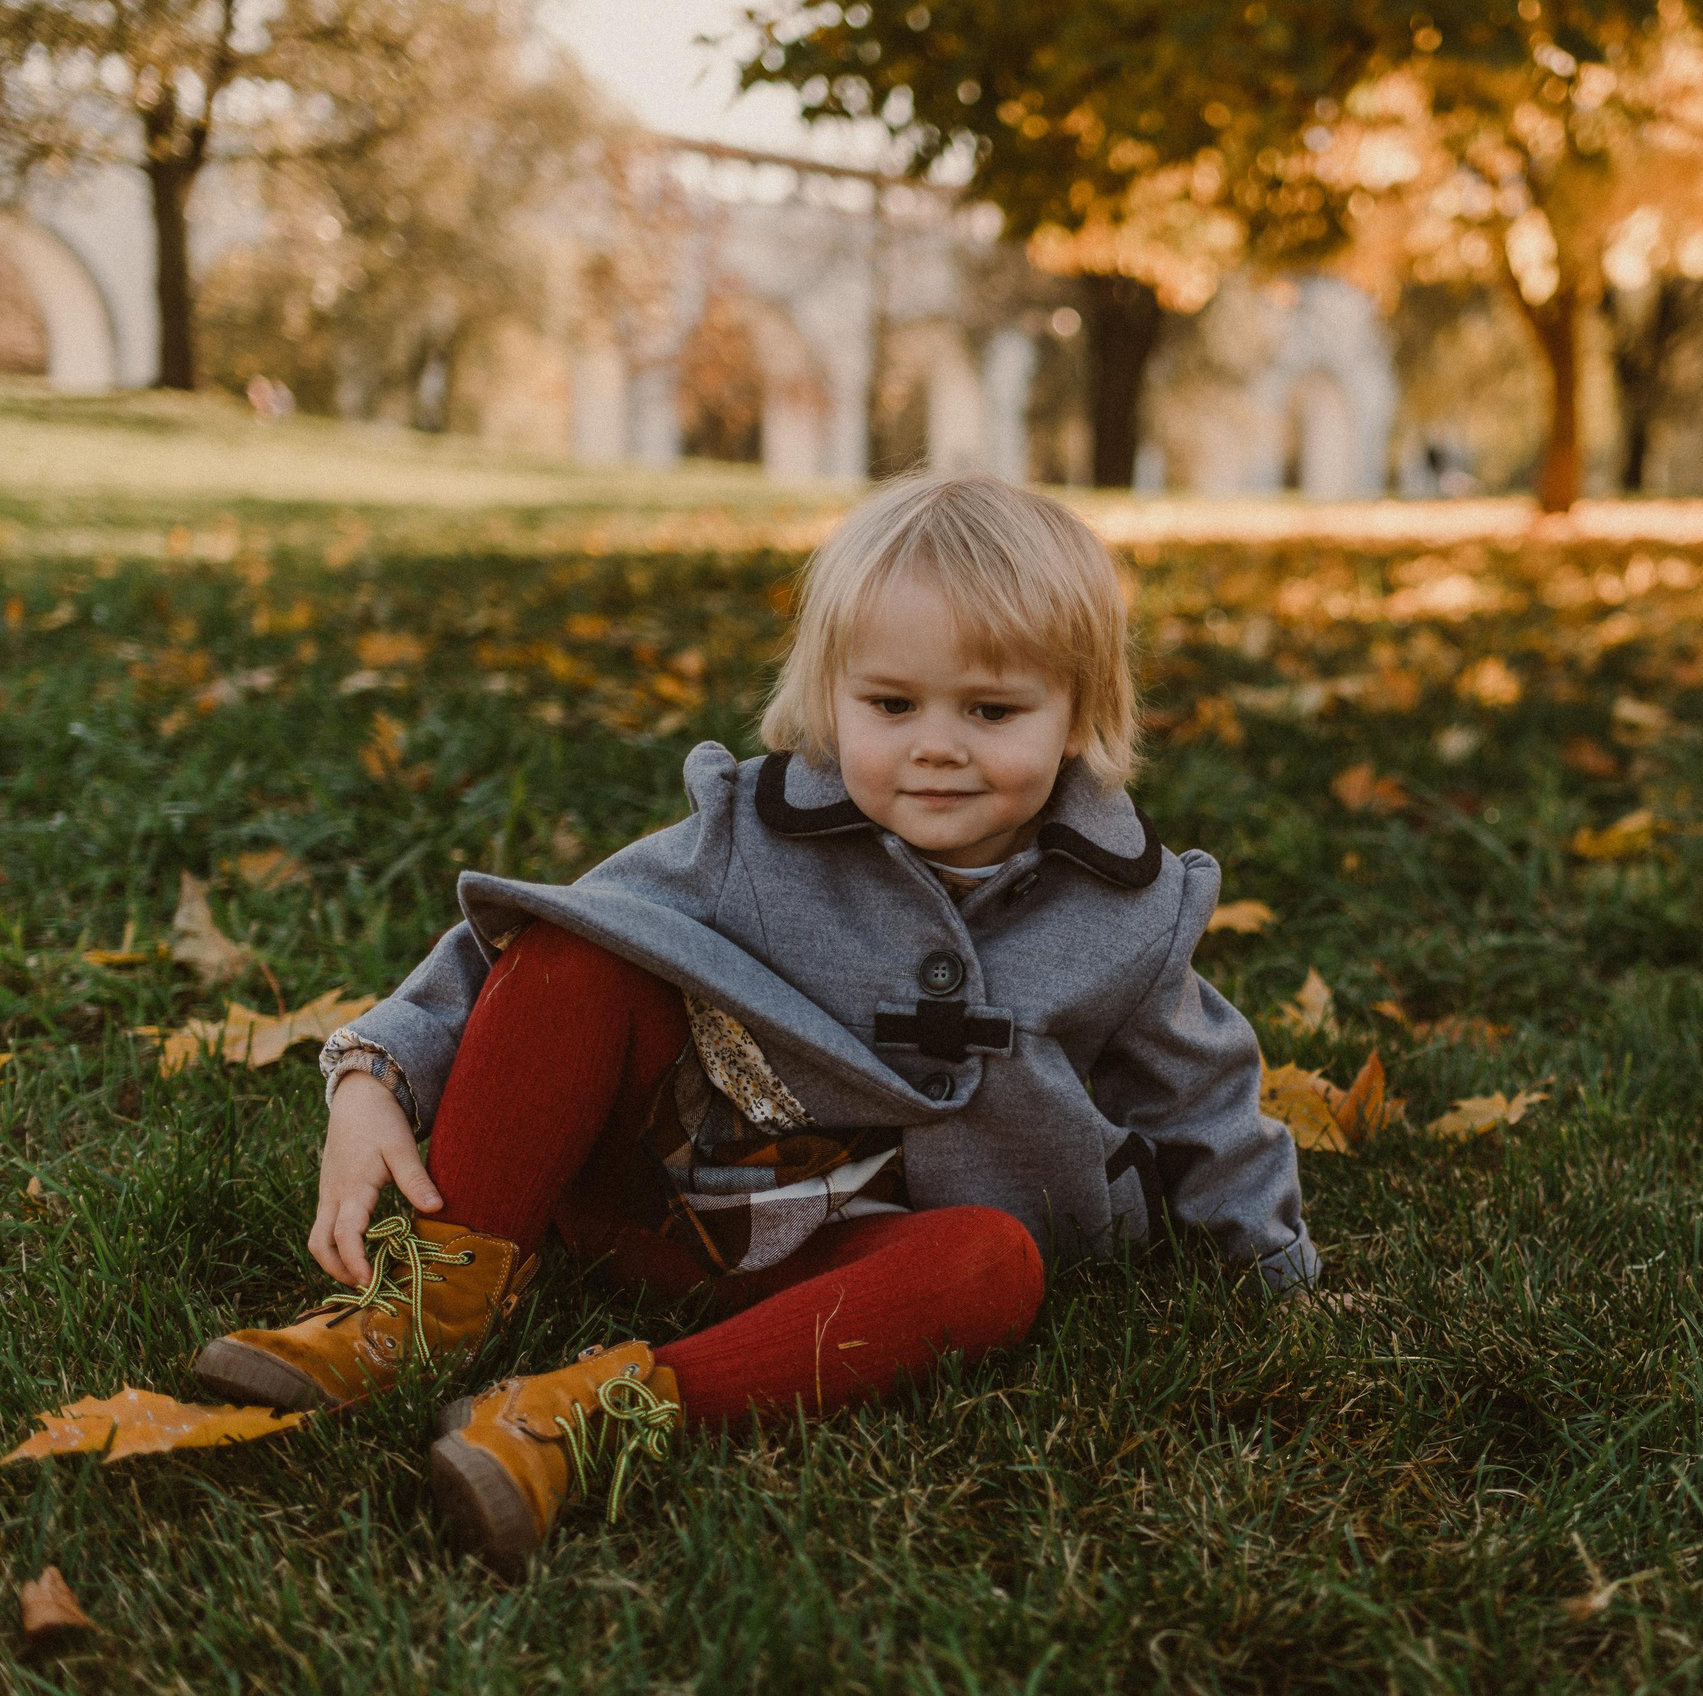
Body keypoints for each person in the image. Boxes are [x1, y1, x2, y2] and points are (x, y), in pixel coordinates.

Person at [189, 474, 1317, 1574]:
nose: (936, 745)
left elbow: (1204, 1095)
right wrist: (370, 1072)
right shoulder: (754, 831)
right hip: (670, 1193)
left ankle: (604, 1409)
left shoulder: (1126, 905)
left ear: (1079, 712)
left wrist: (1272, 1270)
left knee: (993, 1265)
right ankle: (433, 1303)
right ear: (830, 698)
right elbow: (529, 937)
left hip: (864, 1256)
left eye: (991, 710)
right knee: (579, 954)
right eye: (890, 705)